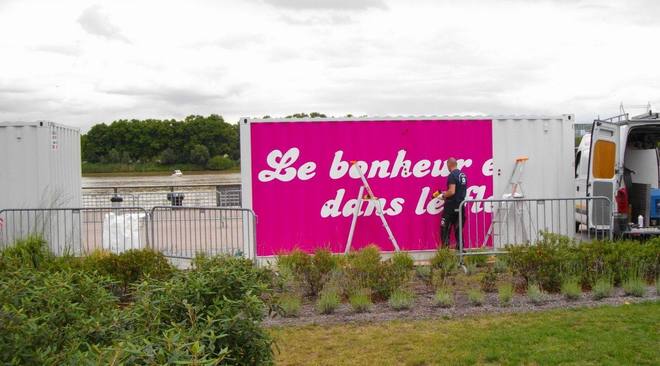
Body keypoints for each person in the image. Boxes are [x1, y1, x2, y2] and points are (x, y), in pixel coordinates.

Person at [435, 157, 467, 249]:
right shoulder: (463, 175)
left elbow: (452, 191)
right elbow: (458, 191)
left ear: (449, 165)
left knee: (444, 228)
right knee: (458, 230)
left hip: (451, 207)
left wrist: (443, 196)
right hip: (460, 206)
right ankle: (460, 252)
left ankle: (445, 252)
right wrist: (447, 192)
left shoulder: (452, 175)